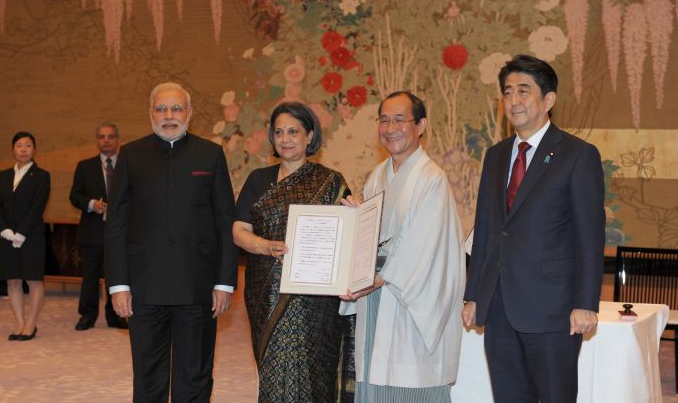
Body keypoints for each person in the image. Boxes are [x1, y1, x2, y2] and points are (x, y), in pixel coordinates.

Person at [462, 54, 605, 403]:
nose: (513, 101)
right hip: (498, 307)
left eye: (524, 91)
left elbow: (590, 235)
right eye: (508, 92)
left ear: (548, 99)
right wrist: (473, 294)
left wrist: (586, 303)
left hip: (553, 310)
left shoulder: (576, 154)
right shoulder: (496, 156)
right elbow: (486, 230)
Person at [104, 82, 238, 402]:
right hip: (143, 286)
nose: (169, 116)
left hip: (198, 287)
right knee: (148, 373)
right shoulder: (132, 155)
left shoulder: (211, 154)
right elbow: (117, 224)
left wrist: (225, 282)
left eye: (176, 108)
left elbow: (225, 223)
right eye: (161, 109)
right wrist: (118, 285)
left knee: (195, 372)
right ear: (150, 113)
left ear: (189, 113)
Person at [340, 91, 466, 402]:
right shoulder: (378, 176)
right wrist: (356, 219)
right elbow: (375, 236)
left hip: (409, 297)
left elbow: (425, 248)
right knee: (375, 376)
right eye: (384, 120)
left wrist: (378, 279)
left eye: (400, 119)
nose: (390, 127)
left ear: (421, 125)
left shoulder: (431, 179)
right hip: (376, 295)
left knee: (409, 380)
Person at [233, 102, 352, 402]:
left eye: (293, 131)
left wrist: (356, 216)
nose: (285, 139)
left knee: (315, 372)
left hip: (317, 300)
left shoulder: (331, 181)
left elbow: (347, 236)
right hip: (267, 292)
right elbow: (238, 230)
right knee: (274, 372)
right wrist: (264, 246)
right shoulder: (258, 179)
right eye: (279, 132)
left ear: (310, 136)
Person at [70, 121, 128, 331]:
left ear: (117, 139)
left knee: (117, 274)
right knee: (91, 275)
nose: (106, 140)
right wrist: (90, 204)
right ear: (97, 141)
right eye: (102, 137)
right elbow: (74, 196)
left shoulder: (127, 163)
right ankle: (87, 315)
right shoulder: (84, 166)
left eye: (110, 136)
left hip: (121, 231)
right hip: (93, 230)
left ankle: (116, 315)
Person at [0, 132, 50, 341]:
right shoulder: (3, 176)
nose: (24, 149)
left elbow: (38, 207)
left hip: (32, 236)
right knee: (13, 280)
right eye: (19, 145)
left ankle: (31, 324)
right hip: (7, 236)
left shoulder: (42, 175)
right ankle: (19, 322)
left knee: (33, 280)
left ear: (34, 150)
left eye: (28, 145)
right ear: (13, 150)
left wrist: (22, 233)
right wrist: (4, 229)